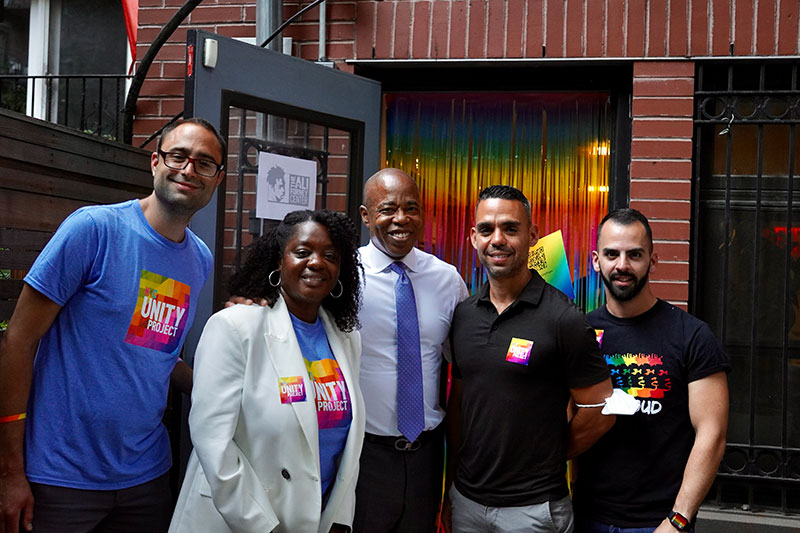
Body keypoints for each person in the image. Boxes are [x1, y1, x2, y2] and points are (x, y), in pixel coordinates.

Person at [0, 117, 226, 533]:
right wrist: (9, 471)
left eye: (204, 163)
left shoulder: (200, 259)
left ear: (217, 179)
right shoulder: (95, 229)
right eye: (179, 156)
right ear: (155, 162)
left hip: (146, 478)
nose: (189, 169)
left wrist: (232, 388)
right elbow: (19, 339)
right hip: (59, 477)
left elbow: (158, 350)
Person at [169, 209, 365, 533]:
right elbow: (212, 440)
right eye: (302, 252)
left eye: (329, 255)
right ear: (279, 261)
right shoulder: (234, 327)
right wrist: (264, 526)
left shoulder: (347, 339)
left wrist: (339, 517)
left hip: (315, 520)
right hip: (240, 519)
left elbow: (347, 447)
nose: (317, 262)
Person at [443, 184, 614, 533]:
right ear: (473, 238)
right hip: (467, 503)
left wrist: (550, 454)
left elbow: (600, 410)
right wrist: (452, 488)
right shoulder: (463, 316)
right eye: (487, 230)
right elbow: (461, 402)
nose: (498, 239)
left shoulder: (563, 319)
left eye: (510, 228)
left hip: (534, 510)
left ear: (533, 235)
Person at [572, 208, 729, 533]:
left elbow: (711, 434)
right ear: (595, 260)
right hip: (587, 517)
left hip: (658, 522)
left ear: (653, 260)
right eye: (612, 254)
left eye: (635, 255)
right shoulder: (581, 334)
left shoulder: (692, 336)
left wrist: (679, 519)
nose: (622, 265)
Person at [353, 168, 468, 533]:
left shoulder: (447, 279)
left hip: (427, 458)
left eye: (411, 207)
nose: (401, 218)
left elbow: (465, 366)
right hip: (363, 456)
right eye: (388, 209)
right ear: (366, 215)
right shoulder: (343, 276)